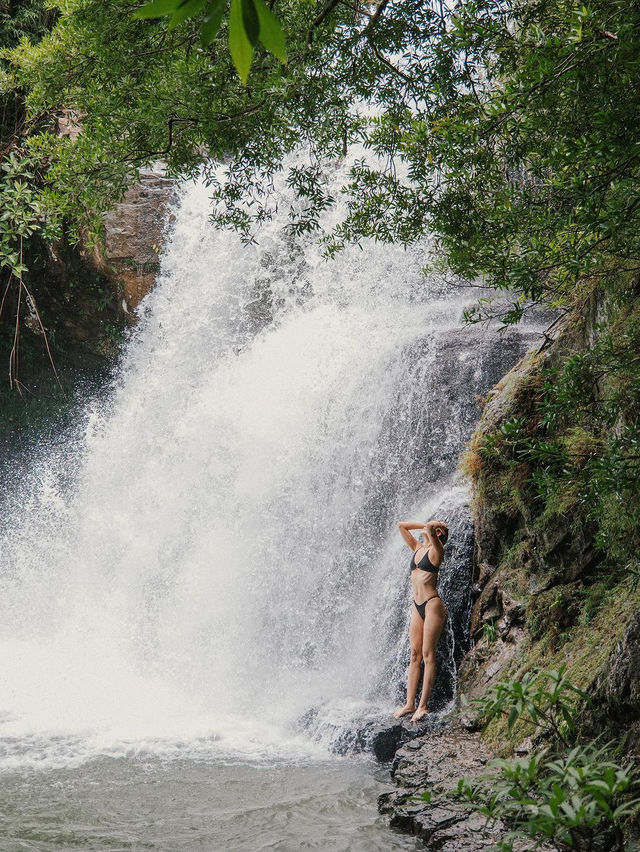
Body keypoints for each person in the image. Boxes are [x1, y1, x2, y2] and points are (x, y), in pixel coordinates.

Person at [393, 518, 449, 722]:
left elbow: (434, 530)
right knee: (414, 654)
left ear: (440, 535)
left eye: (436, 530)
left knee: (428, 654)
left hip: (432, 605)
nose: (428, 529)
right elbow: (401, 525)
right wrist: (425, 525)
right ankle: (409, 704)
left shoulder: (437, 551)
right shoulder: (417, 548)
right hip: (417, 606)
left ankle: (423, 705)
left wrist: (435, 526)